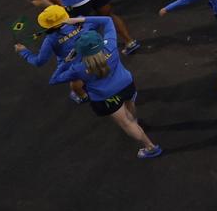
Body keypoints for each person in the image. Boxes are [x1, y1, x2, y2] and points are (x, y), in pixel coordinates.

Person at [48, 24, 162, 159]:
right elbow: (107, 20)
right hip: (126, 84)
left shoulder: (78, 68)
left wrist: (65, 62)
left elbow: (54, 80)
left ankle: (150, 147)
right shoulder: (111, 46)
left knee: (126, 123)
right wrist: (81, 19)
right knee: (130, 107)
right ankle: (135, 122)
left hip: (106, 97)